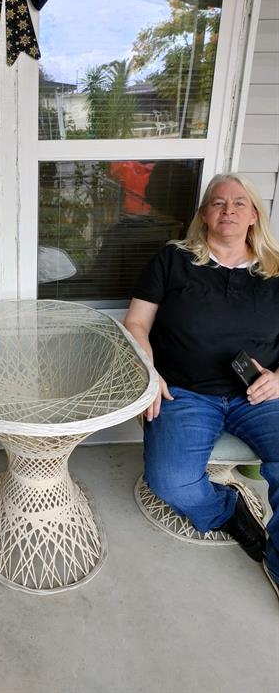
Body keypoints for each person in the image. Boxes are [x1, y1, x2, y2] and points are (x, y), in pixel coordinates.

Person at [124, 173, 279, 599]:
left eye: (239, 203)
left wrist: (278, 380)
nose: (229, 210)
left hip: (259, 394)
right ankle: (226, 510)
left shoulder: (276, 271)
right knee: (170, 481)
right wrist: (149, 371)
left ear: (254, 215)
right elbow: (136, 324)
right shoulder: (173, 260)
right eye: (218, 203)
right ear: (204, 214)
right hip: (185, 392)